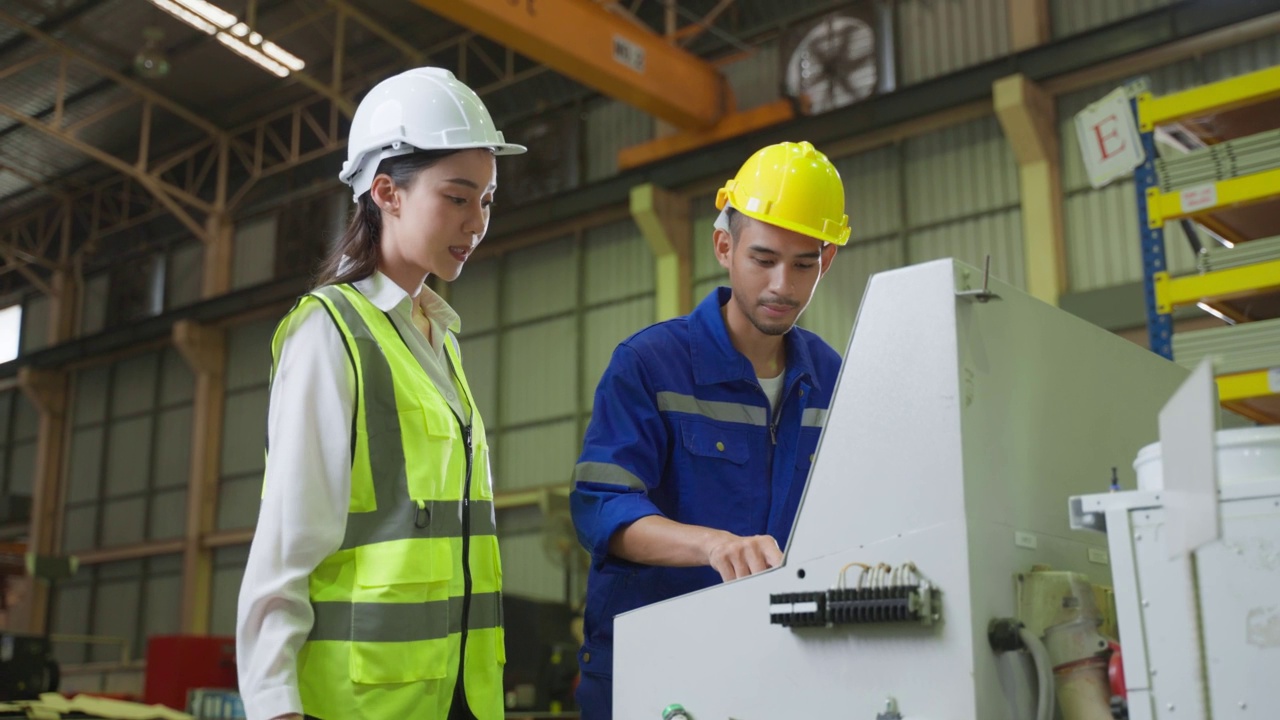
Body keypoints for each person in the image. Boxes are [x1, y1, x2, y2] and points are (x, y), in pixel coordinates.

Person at [236, 67, 525, 720]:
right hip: (360, 702)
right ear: (387, 191)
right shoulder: (329, 332)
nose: (476, 222)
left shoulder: (440, 338)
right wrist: (275, 704)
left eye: (486, 200)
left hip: (458, 698)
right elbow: (286, 544)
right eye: (457, 197)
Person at [570, 141, 851, 719]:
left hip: (778, 670)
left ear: (826, 262)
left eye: (804, 264)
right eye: (764, 258)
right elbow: (600, 507)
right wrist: (712, 544)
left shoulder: (833, 379)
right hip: (650, 672)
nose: (782, 285)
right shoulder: (650, 364)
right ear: (725, 247)